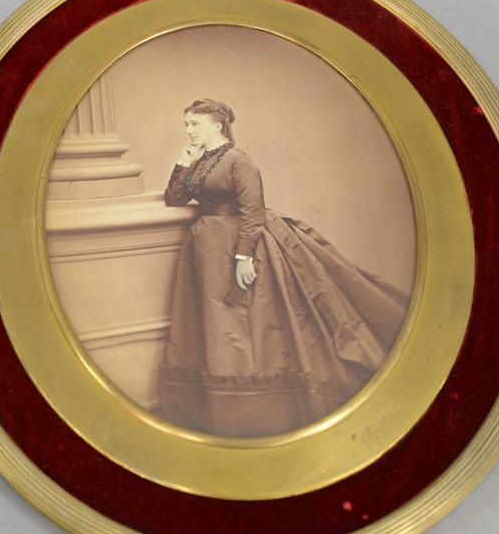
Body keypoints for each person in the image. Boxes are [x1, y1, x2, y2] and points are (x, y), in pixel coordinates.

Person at [159, 98, 410, 437]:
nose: (189, 131)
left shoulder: (239, 160)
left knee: (246, 322)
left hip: (237, 244)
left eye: (195, 124)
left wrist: (244, 257)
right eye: (186, 125)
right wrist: (182, 163)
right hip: (206, 248)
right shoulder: (200, 161)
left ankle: (257, 406)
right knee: (215, 320)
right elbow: (174, 199)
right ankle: (219, 405)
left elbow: (253, 211)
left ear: (217, 126)